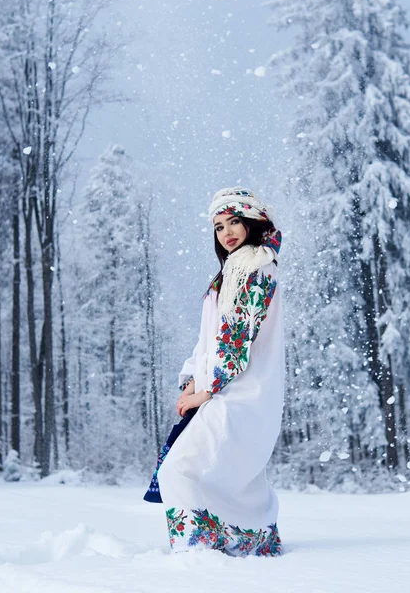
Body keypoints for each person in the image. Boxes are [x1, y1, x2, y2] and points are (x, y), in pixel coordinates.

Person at [152, 186, 285, 557]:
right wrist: (192, 377)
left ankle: (199, 554)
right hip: (225, 391)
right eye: (218, 226)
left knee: (180, 470)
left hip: (242, 394)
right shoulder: (228, 274)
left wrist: (203, 392)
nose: (226, 232)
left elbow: (234, 344)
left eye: (234, 222)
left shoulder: (256, 272)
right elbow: (207, 340)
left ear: (253, 223)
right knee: (231, 477)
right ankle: (247, 545)